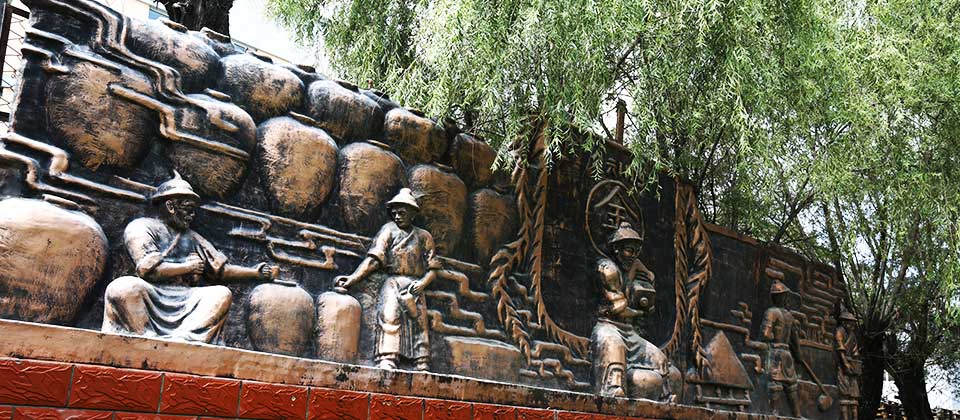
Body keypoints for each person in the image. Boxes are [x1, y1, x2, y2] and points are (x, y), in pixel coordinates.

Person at [102, 173, 275, 343]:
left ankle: (187, 338)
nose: (192, 216)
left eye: (193, 212)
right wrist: (188, 267)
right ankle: (145, 337)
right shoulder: (141, 227)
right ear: (170, 206)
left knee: (221, 294)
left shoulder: (192, 237)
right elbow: (147, 271)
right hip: (151, 293)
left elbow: (221, 271)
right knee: (123, 288)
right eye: (188, 209)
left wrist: (256, 273)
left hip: (186, 297)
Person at [335, 188, 440, 371]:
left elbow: (433, 268)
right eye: (394, 213)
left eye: (402, 213)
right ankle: (388, 357)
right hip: (392, 283)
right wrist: (352, 279)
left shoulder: (424, 236)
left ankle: (421, 361)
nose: (397, 216)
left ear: (413, 214)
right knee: (389, 316)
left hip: (415, 286)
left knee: (419, 323)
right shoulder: (388, 230)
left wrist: (422, 283)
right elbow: (374, 260)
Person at [592, 221, 680, 400]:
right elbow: (619, 309)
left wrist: (648, 285)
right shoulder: (607, 269)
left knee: (661, 360)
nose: (632, 256)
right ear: (616, 249)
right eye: (628, 250)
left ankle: (665, 397)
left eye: (636, 251)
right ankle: (613, 391)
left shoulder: (634, 264)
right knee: (614, 346)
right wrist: (640, 312)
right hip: (608, 327)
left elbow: (647, 276)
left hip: (630, 332)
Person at [760, 279, 803, 416]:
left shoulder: (771, 312)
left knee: (775, 383)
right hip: (788, 354)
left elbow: (765, 334)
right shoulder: (790, 316)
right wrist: (799, 355)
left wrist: (771, 336)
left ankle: (774, 413)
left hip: (775, 353)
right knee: (791, 385)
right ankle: (796, 414)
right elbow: (795, 341)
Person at [835, 307, 861, 420]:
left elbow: (855, 349)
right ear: (844, 323)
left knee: (854, 395)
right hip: (842, 365)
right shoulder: (839, 332)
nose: (852, 326)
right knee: (844, 394)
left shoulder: (852, 335)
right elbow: (840, 349)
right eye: (850, 323)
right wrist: (845, 364)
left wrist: (855, 359)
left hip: (852, 365)